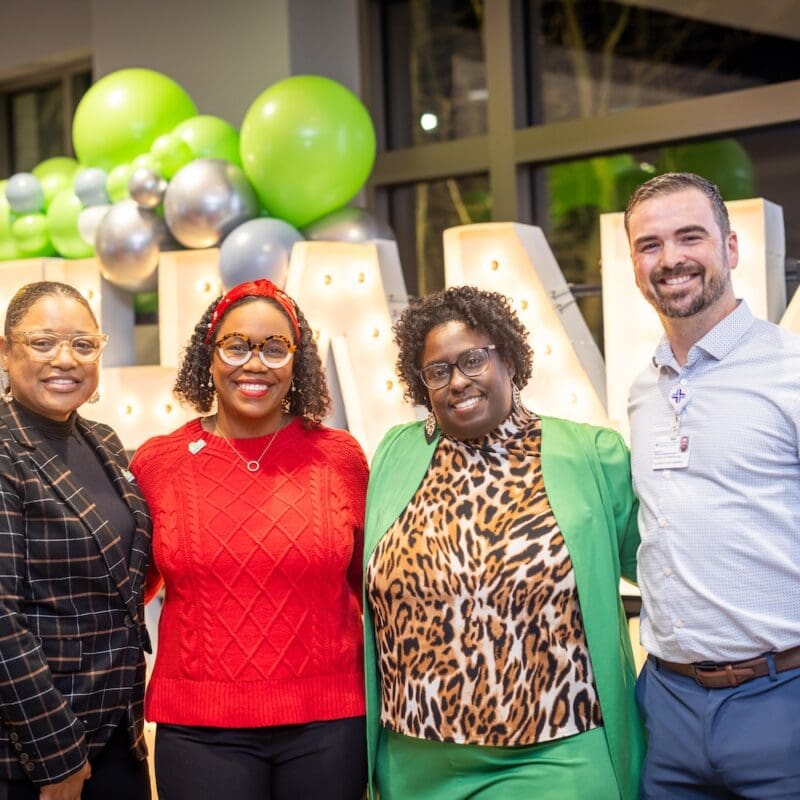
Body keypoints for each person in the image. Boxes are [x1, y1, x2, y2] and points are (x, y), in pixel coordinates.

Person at [363, 286, 644, 800]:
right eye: (438, 371)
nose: (457, 381)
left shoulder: (590, 454)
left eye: (473, 360)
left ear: (509, 361)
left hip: (558, 752)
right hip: (414, 760)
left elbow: (665, 573)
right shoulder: (395, 455)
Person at [130, 278, 368, 800]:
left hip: (329, 724)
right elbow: (132, 590)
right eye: (236, 345)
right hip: (199, 731)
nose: (254, 364)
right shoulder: (158, 463)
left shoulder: (340, 458)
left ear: (296, 362)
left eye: (275, 348)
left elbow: (369, 585)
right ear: (208, 358)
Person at [626, 172, 800, 798]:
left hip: (782, 699)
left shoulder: (791, 373)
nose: (670, 259)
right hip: (667, 704)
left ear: (730, 248)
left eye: (690, 237)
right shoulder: (643, 387)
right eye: (650, 245)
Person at [0, 281, 152, 800]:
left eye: (83, 345)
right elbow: (1, 620)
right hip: (35, 750)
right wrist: (56, 754)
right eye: (43, 342)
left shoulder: (104, 440)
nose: (65, 359)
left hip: (119, 731)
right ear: (4, 352)